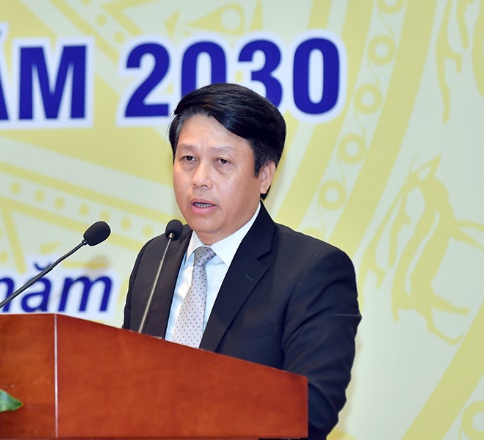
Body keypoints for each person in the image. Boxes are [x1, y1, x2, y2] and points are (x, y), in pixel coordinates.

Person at [122, 83, 361, 440]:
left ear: (264, 175)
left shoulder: (313, 271)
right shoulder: (155, 258)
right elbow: (124, 384)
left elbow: (309, 411)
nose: (199, 180)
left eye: (222, 162)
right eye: (188, 159)